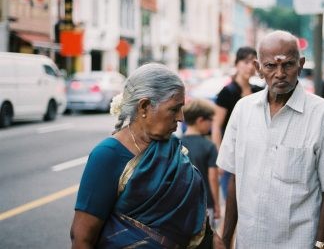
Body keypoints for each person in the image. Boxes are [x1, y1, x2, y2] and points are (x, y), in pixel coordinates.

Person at [217, 30, 324, 249]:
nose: (280, 73)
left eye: (288, 65)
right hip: (249, 242)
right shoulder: (242, 110)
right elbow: (236, 177)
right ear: (258, 68)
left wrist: (321, 245)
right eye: (271, 66)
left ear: (301, 65)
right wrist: (226, 239)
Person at [70, 63, 224, 249]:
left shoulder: (173, 149)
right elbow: (82, 238)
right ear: (144, 107)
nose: (181, 117)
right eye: (174, 109)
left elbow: (197, 223)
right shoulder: (108, 155)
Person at [212, 46, 263, 199]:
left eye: (253, 62)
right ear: (237, 64)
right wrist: (220, 156)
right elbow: (216, 126)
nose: (249, 66)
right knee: (231, 201)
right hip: (231, 153)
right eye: (245, 62)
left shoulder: (259, 91)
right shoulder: (226, 92)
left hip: (255, 154)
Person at [182, 99, 220, 228]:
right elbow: (213, 178)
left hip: (182, 202)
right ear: (200, 120)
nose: (211, 124)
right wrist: (217, 205)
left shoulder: (176, 143)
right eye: (210, 120)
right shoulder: (209, 146)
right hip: (205, 203)